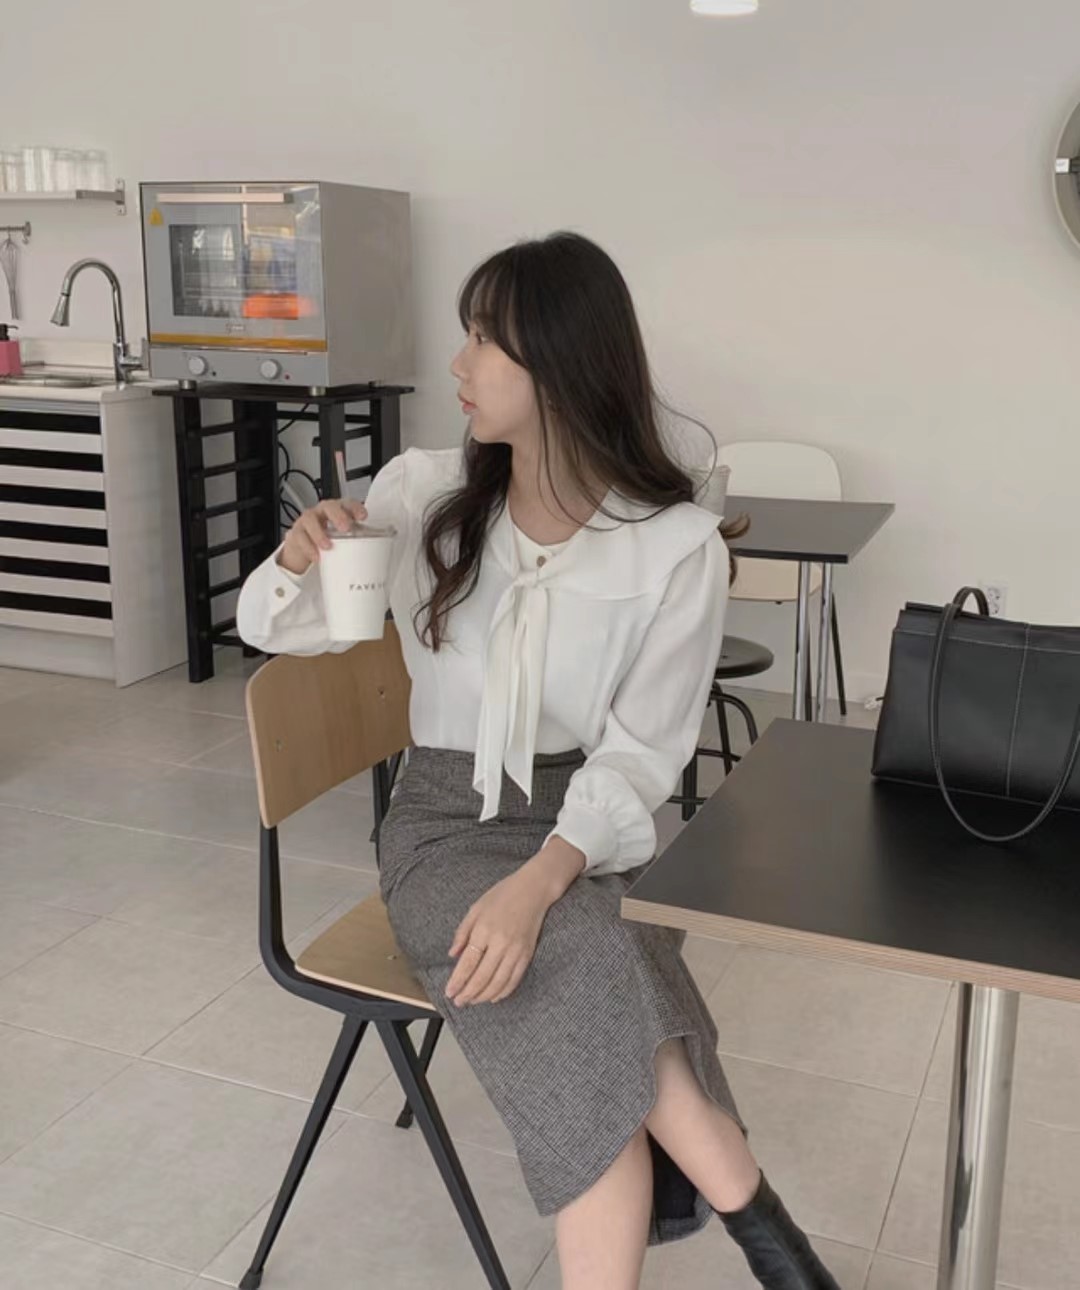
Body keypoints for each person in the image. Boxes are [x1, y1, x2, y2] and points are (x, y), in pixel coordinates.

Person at [237, 231, 839, 1290]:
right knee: (600, 962)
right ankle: (775, 1244)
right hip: (440, 822)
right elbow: (282, 630)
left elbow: (642, 755)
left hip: (586, 822)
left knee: (584, 960)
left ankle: (773, 1249)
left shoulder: (673, 546)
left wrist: (539, 880)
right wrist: (299, 556)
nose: (458, 364)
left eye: (484, 341)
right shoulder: (424, 491)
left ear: (560, 362)